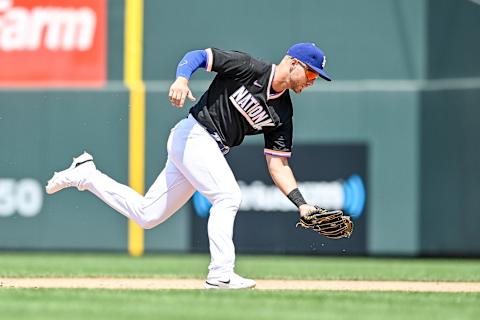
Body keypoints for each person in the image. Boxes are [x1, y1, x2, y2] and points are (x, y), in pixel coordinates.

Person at [46, 43, 332, 289]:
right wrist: (182, 79)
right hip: (194, 135)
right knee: (228, 196)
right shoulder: (249, 68)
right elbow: (197, 55)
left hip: (205, 149)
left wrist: (301, 204)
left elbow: (278, 165)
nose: (311, 81)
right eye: (310, 73)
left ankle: (87, 174)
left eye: (316, 77)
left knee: (148, 215)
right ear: (293, 63)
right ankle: (220, 274)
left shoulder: (283, 113)